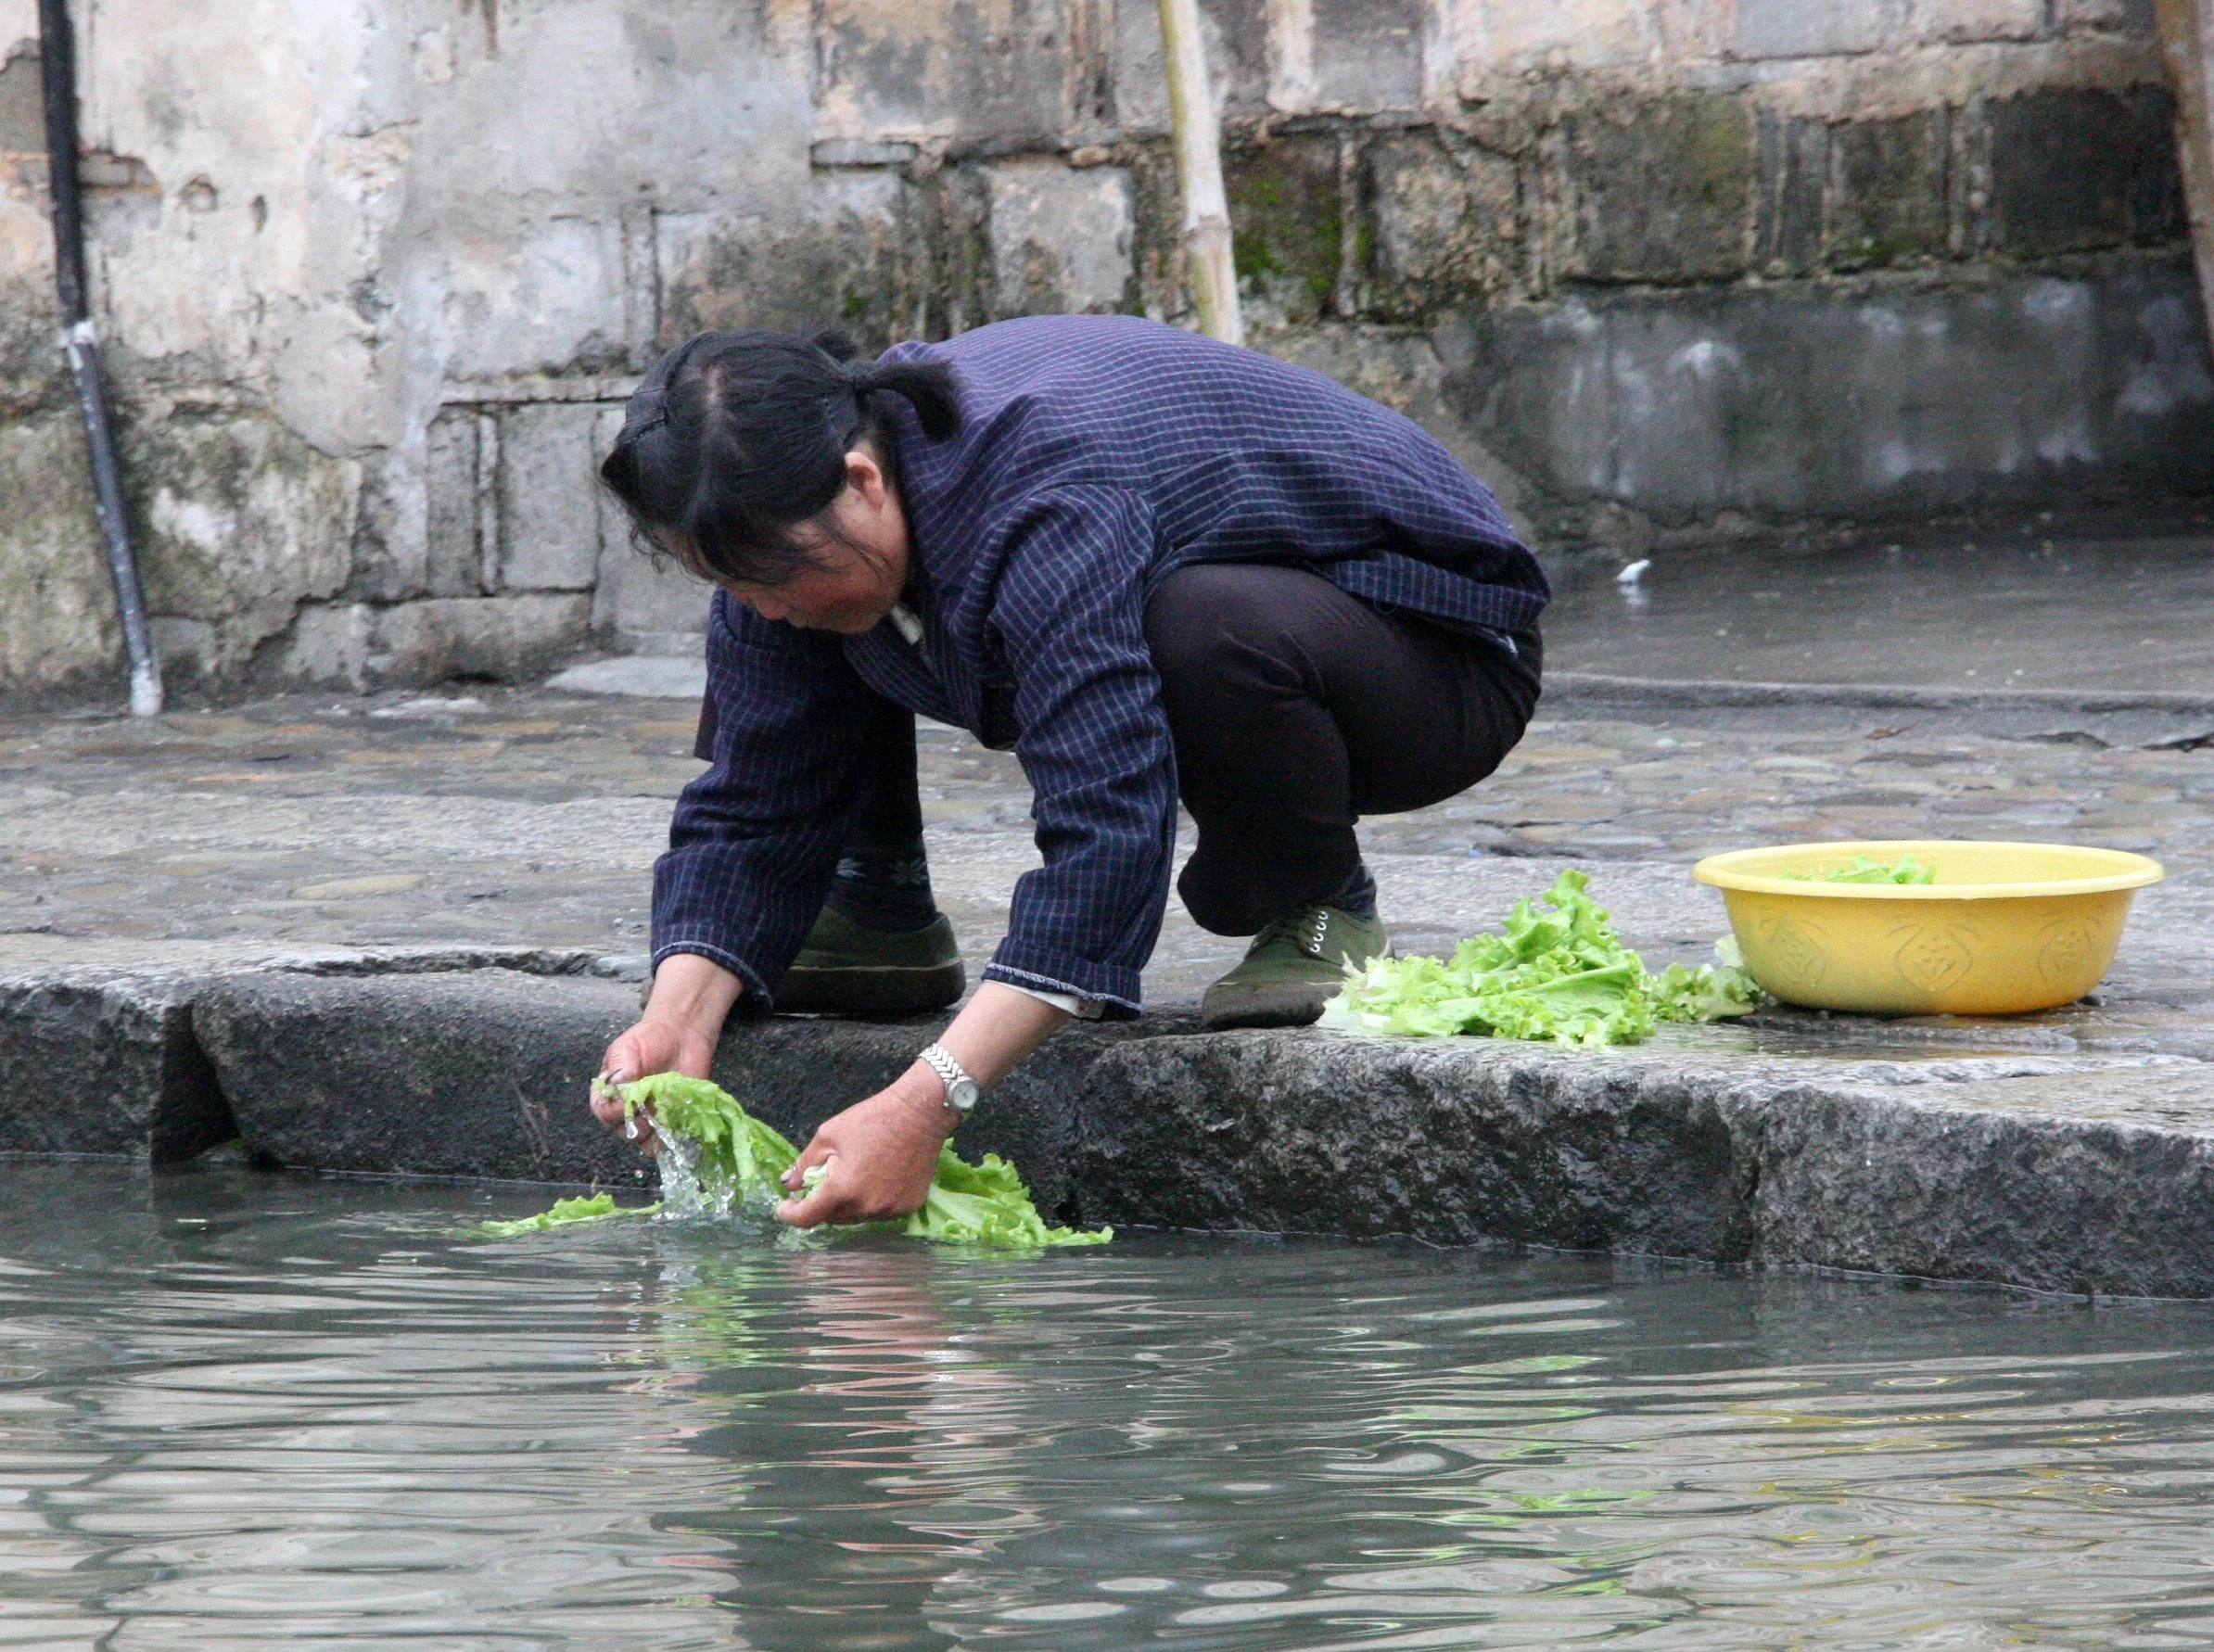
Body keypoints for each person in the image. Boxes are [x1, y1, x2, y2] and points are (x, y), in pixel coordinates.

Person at [588, 314, 1546, 1226]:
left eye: (773, 569)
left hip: (1434, 651)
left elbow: (1107, 828)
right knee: (798, 627)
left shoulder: (1046, 489)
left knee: (1193, 626)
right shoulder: (795, 539)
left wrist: (929, 1101)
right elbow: (750, 801)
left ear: (863, 480)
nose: (762, 602)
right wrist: (679, 1019)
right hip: (1259, 615)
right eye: (730, 579)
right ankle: (873, 907)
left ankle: (1319, 897)